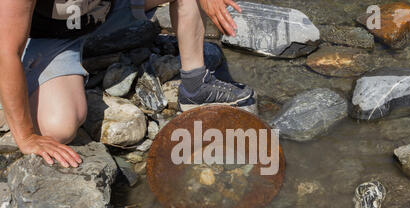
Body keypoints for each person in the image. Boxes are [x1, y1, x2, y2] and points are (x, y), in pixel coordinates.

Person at [0, 0, 253, 169]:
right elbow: (5, 52)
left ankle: (196, 86)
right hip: (47, 39)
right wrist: (26, 137)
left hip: (101, 13)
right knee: (59, 128)